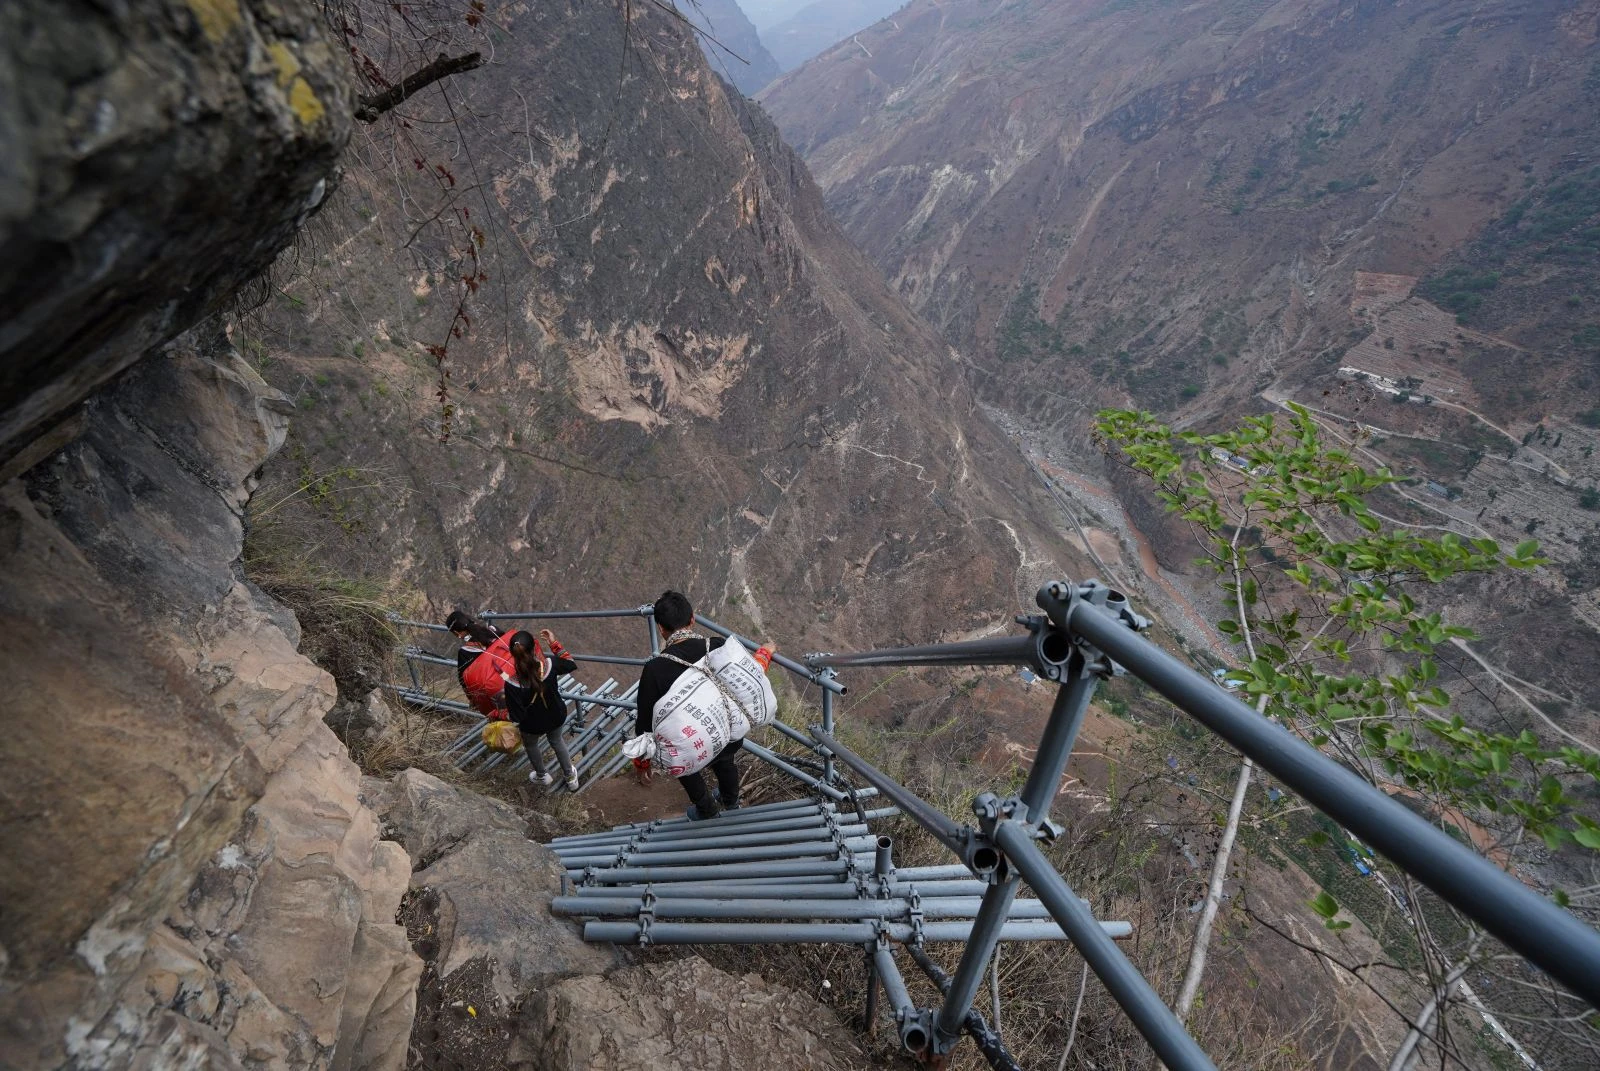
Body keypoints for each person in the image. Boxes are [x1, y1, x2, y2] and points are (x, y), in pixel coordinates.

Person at [634, 591, 768, 820]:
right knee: (726, 763)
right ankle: (731, 802)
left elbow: (645, 725)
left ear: (661, 629)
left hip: (691, 747)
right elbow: (745, 677)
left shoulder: (655, 669)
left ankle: (707, 810)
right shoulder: (717, 645)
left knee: (684, 764)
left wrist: (641, 763)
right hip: (726, 735)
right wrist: (765, 652)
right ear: (693, 619)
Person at [503, 628, 580, 792]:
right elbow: (570, 663)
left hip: (531, 725)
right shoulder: (550, 665)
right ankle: (570, 777)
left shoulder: (511, 683)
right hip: (555, 716)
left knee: (531, 745)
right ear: (534, 648)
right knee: (557, 741)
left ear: (513, 654)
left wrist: (498, 710)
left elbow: (516, 716)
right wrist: (554, 643)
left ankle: (542, 776)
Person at [445, 610, 507, 716]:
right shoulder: (494, 630)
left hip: (499, 693)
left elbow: (465, 682)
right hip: (515, 676)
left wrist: (473, 701)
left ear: (456, 633)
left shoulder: (465, 652)